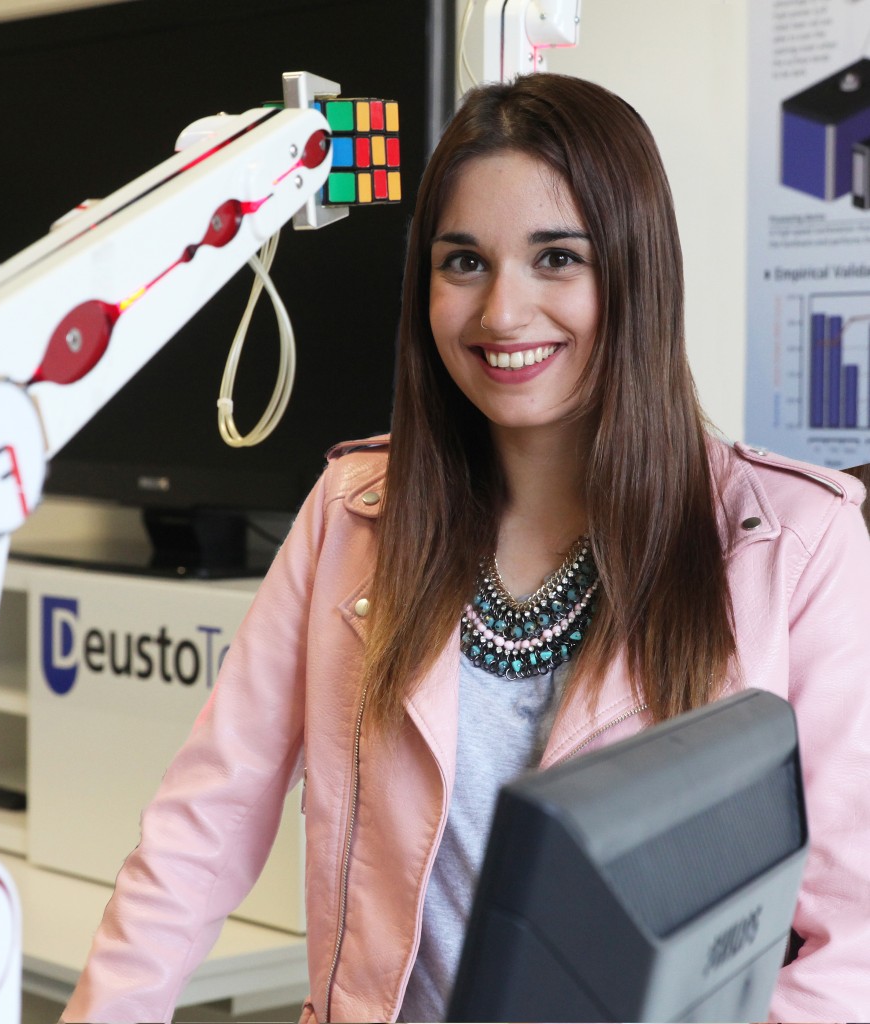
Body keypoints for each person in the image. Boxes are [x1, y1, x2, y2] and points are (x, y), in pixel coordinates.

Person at [61, 73, 870, 1024]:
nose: (502, 314)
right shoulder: (353, 512)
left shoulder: (799, 544)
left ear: (636, 269)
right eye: (464, 263)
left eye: (557, 258)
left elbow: (849, 941)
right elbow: (202, 829)